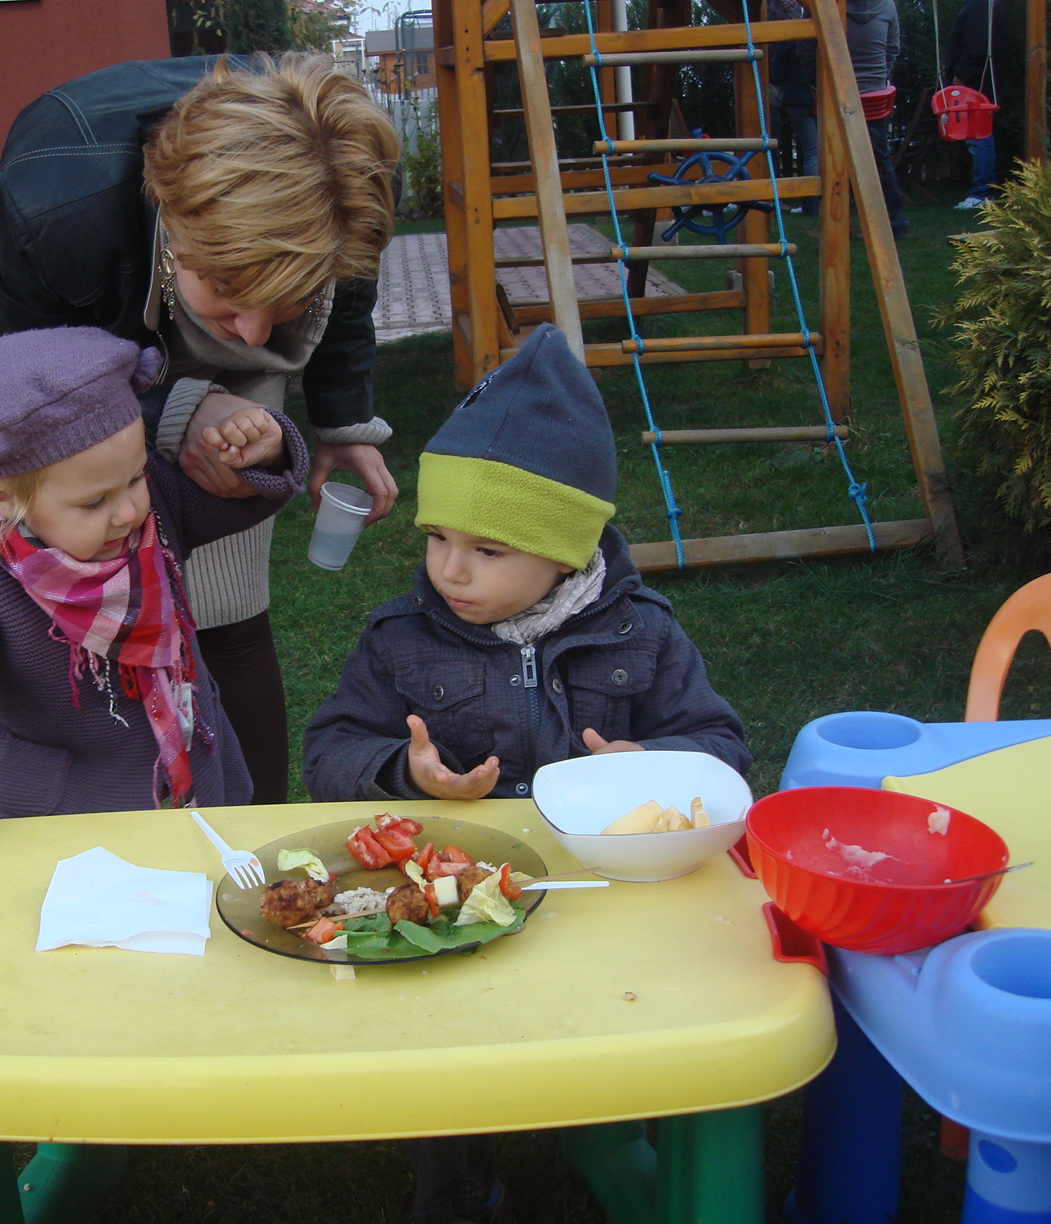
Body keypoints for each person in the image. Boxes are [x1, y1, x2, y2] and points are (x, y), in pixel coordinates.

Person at [301, 323, 749, 1224]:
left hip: (605, 899)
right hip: (455, 902)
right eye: (438, 537)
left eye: (490, 550)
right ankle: (458, 1186)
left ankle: (612, 1135)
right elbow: (328, 748)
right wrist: (406, 774)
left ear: (568, 550)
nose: (450, 570)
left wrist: (657, 768)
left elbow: (723, 747)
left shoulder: (643, 632)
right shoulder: (400, 639)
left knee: (625, 1030)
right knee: (447, 1049)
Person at [0, 53, 402, 804]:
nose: (254, 332)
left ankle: (254, 834)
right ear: (176, 220)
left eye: (288, 296)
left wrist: (341, 418)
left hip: (187, 286)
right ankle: (81, 814)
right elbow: (7, 397)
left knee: (228, 612)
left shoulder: (346, 179)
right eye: (229, 289)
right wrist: (174, 409)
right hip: (80, 337)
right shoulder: (48, 209)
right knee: (77, 622)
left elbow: (345, 288)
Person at [0, 327, 308, 845]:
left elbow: (241, 499)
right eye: (93, 502)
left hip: (196, 781)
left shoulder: (151, 514)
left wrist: (264, 455)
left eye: (136, 478)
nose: (128, 511)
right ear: (4, 498)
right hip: (64, 818)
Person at [846, 0, 908, 238]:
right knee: (880, 159)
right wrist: (879, 78)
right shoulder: (887, 6)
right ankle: (894, 221)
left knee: (835, 160)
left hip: (840, 90)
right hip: (875, 93)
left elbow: (809, 50)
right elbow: (893, 48)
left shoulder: (829, 5)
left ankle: (837, 222)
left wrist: (816, 82)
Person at [946, 0, 1008, 208]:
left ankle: (982, 193)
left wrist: (960, 77)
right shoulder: (987, 5)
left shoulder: (981, 5)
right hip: (983, 80)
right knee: (979, 136)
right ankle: (983, 191)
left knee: (979, 137)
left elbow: (978, 47)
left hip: (976, 83)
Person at [769, 1, 818, 216]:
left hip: (798, 98)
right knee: (819, 151)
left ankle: (812, 206)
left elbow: (776, 73)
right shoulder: (824, 30)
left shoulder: (788, 36)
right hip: (821, 96)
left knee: (811, 153)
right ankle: (820, 203)